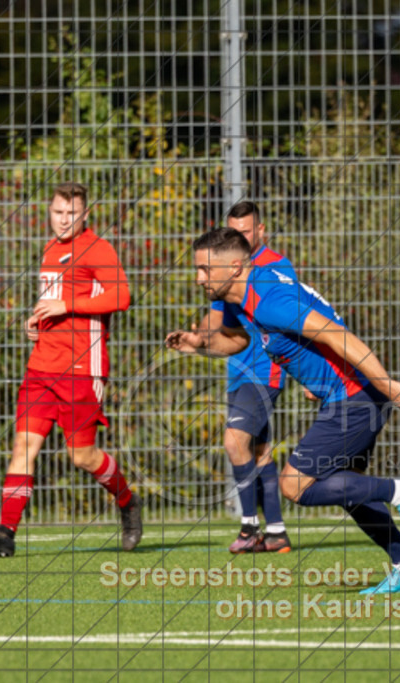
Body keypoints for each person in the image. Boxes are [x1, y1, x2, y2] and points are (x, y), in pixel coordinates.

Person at [166, 228, 400, 594]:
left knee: (295, 484)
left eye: (205, 269)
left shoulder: (269, 300)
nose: (199, 278)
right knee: (349, 491)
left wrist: (386, 384)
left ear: (235, 266)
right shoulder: (240, 297)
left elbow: (336, 334)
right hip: (347, 395)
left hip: (355, 396)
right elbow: (238, 340)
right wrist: (198, 344)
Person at [0, 183, 141, 557]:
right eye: (58, 212)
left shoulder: (98, 248)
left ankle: (127, 501)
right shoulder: (50, 249)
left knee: (82, 457)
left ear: (85, 215)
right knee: (23, 446)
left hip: (81, 369)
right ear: (50, 212)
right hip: (41, 367)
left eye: (71, 214)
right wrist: (36, 322)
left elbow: (122, 296)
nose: (64, 220)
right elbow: (55, 302)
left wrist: (66, 305)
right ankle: (6, 531)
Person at [175, 201, 293, 554]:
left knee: (233, 441)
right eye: (232, 232)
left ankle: (249, 527)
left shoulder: (277, 268)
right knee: (258, 451)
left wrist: (309, 373)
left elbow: (299, 320)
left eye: (245, 232)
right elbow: (215, 321)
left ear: (261, 230)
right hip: (237, 372)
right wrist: (198, 339)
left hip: (265, 371)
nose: (238, 238)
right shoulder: (223, 273)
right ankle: (277, 532)